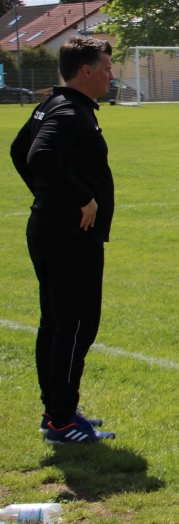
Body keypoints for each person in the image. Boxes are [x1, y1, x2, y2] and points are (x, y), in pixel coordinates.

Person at [10, 36, 117, 444]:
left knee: (57, 323)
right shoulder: (69, 111)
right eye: (106, 68)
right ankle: (61, 421)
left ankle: (58, 410)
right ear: (86, 71)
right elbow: (37, 156)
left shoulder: (53, 104)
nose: (111, 75)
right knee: (74, 325)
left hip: (53, 229)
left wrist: (48, 196)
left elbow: (19, 150)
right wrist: (79, 198)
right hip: (69, 235)